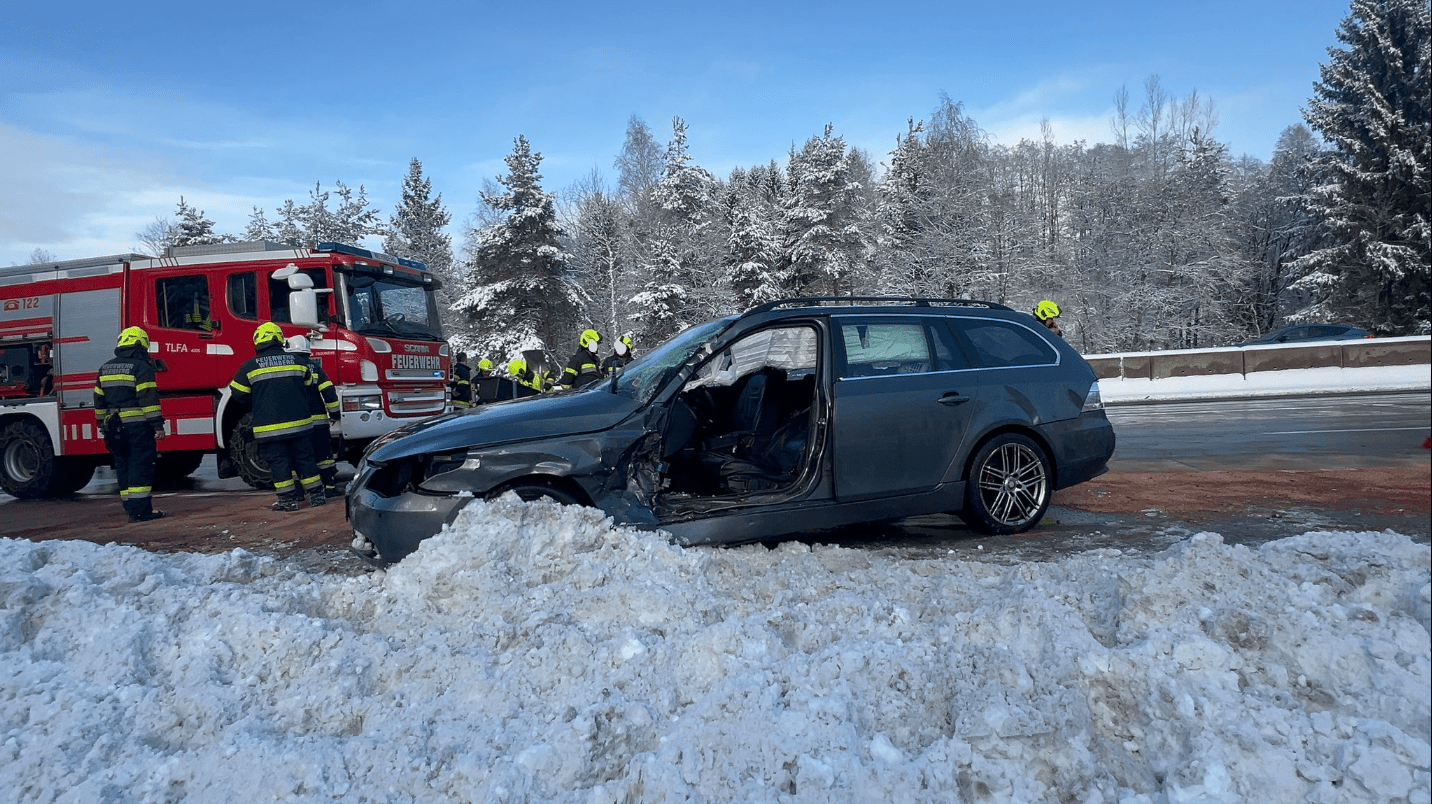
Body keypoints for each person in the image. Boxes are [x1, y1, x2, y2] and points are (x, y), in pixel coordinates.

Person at [229, 322, 325, 511]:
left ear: (258, 341)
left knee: (279, 462)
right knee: (305, 459)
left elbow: (238, 395)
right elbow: (308, 384)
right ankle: (317, 496)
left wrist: (259, 400)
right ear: (280, 339)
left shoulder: (249, 366)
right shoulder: (298, 362)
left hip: (269, 428)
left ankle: (287, 501)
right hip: (301, 425)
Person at [93, 326, 166, 521]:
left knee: (123, 465)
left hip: (114, 428)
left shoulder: (105, 367)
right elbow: (148, 400)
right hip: (137, 428)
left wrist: (102, 424)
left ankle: (130, 507)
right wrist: (157, 426)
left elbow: (99, 400)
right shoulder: (142, 367)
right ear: (141, 345)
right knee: (140, 466)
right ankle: (141, 511)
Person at [286, 335, 343, 497]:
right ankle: (330, 488)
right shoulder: (315, 368)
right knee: (324, 455)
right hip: (319, 423)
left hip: (297, 423)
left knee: (299, 456)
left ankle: (299, 491)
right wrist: (334, 413)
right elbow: (329, 391)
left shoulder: (288, 369)